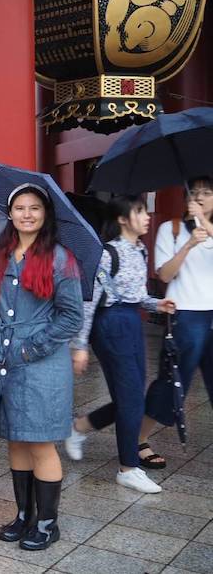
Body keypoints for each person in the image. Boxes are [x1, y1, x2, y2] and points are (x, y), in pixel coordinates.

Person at [0, 184, 83, 551]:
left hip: (41, 364)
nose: (27, 214)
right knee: (15, 437)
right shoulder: (0, 255)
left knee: (41, 442)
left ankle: (48, 522)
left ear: (45, 214)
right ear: (10, 213)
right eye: (20, 208)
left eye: (35, 208)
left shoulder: (60, 258)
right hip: (4, 359)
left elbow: (71, 317)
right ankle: (24, 515)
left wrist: (34, 348)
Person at [65, 196, 174, 493]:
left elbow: (135, 296)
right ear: (123, 219)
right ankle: (128, 467)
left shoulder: (140, 250)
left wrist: (157, 304)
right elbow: (90, 302)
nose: (146, 216)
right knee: (132, 398)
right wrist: (80, 344)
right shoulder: (107, 254)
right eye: (140, 211)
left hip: (131, 322)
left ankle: (80, 428)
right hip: (109, 325)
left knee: (132, 398)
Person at [134, 177, 213, 467]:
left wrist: (205, 224)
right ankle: (138, 439)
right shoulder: (172, 229)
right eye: (196, 193)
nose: (202, 197)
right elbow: (165, 275)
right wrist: (189, 244)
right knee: (172, 382)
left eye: (208, 193)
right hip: (186, 314)